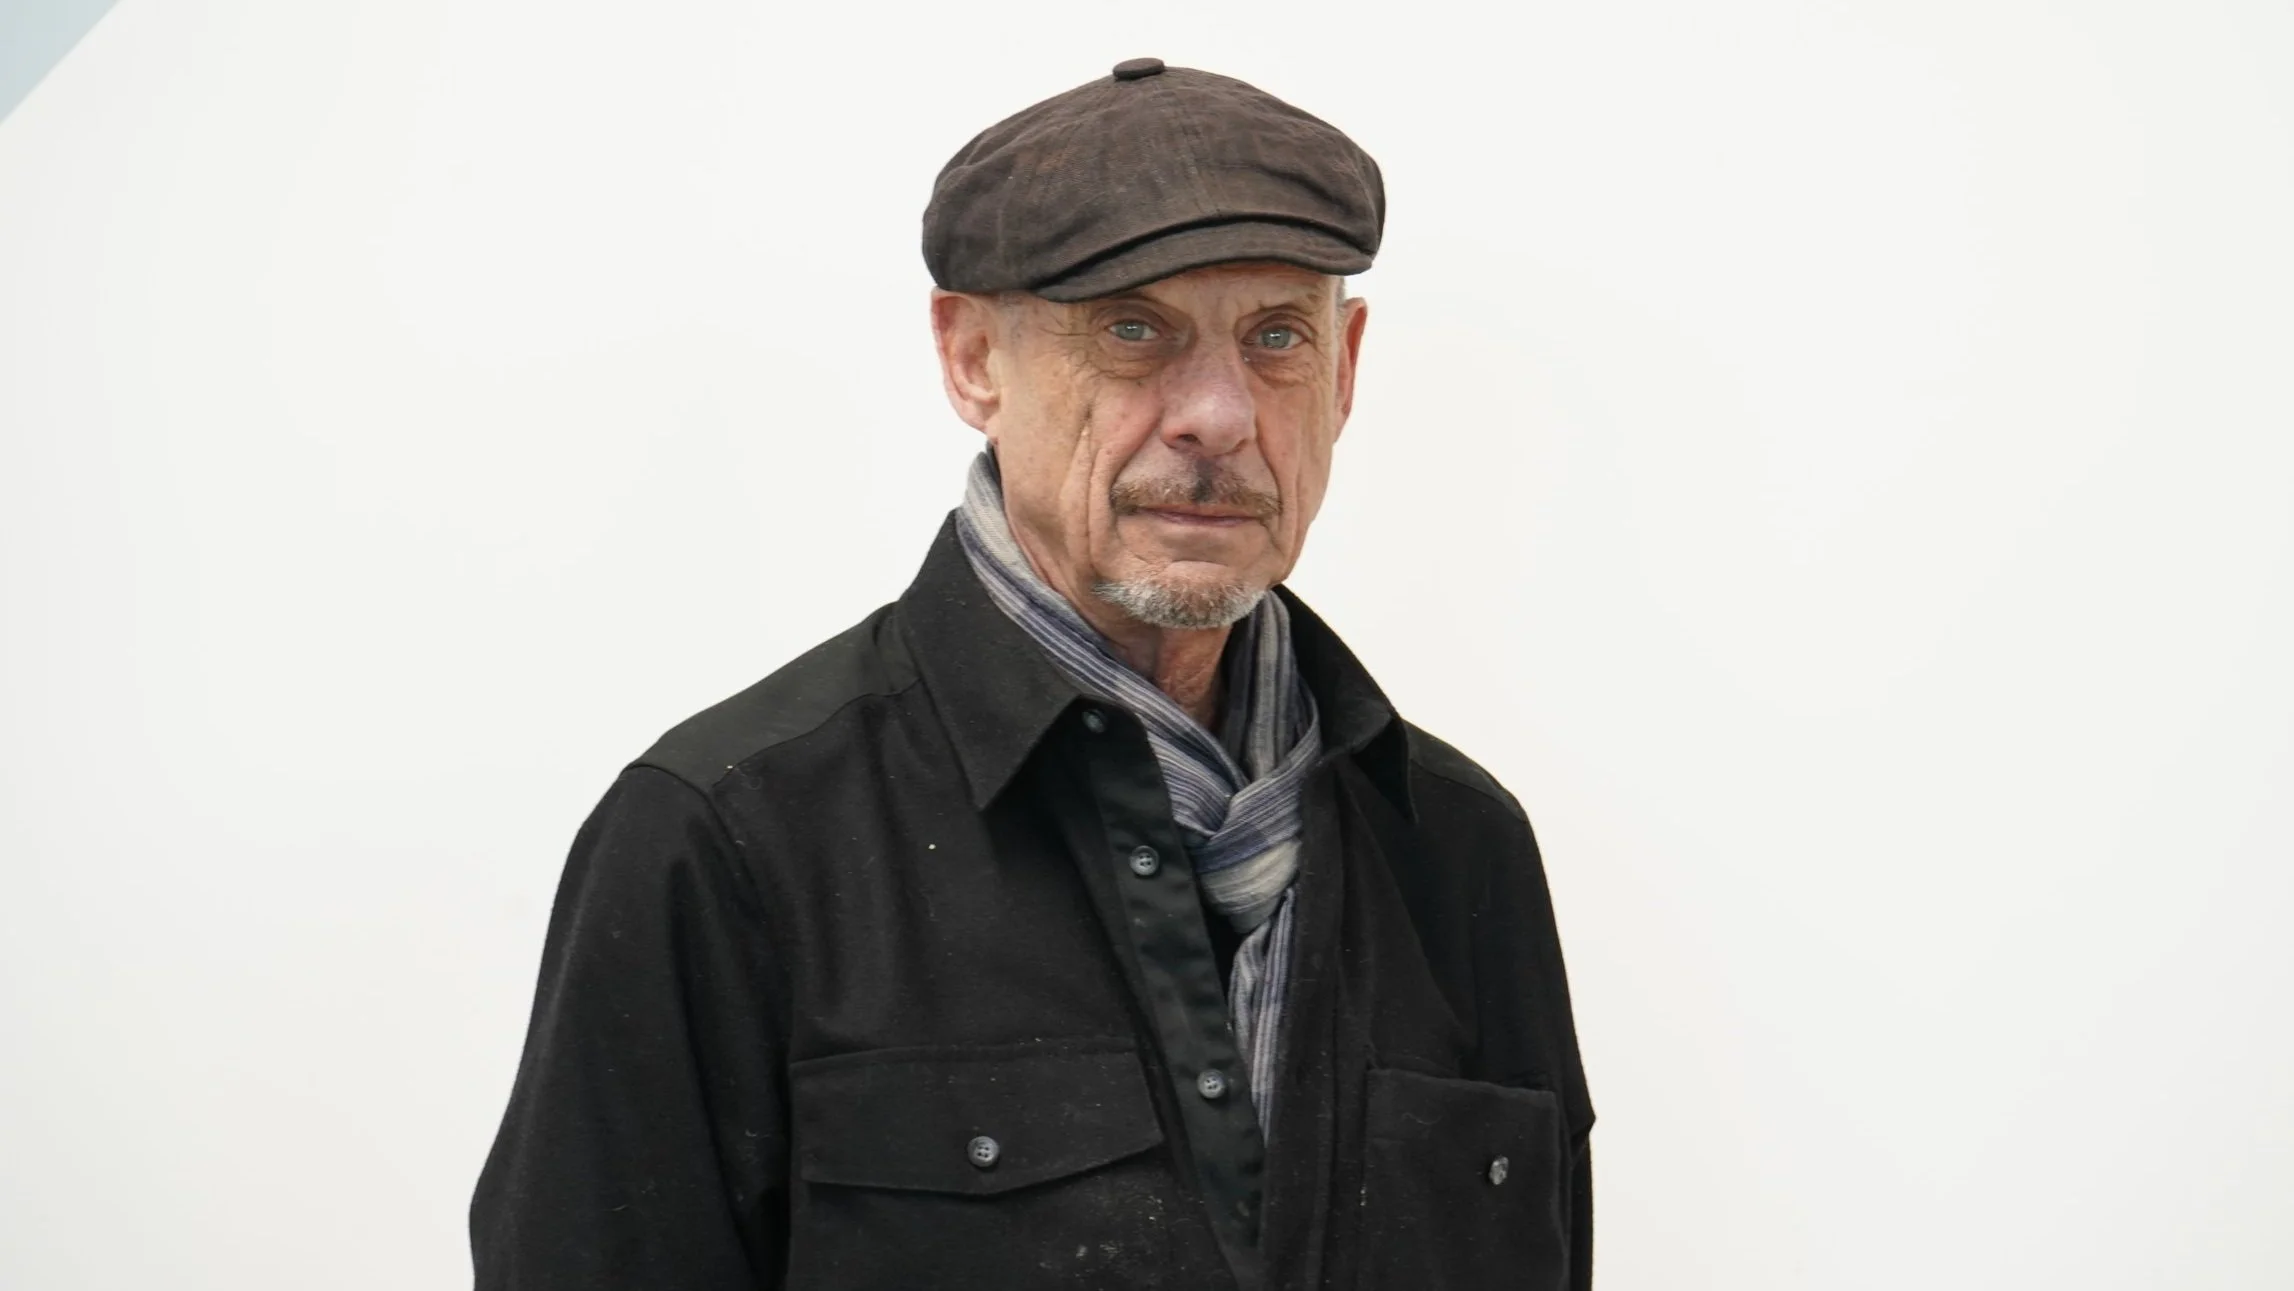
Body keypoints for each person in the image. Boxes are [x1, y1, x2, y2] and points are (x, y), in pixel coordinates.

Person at [471, 58, 1593, 1291]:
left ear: (1343, 369)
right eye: (1132, 330)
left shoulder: (1458, 848)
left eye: (1275, 336)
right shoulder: (729, 839)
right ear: (971, 359)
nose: (1218, 415)